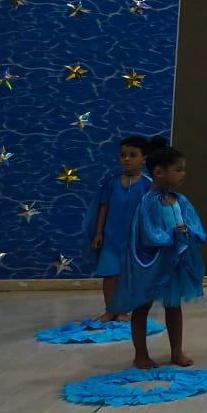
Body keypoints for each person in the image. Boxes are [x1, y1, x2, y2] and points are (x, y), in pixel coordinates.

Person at [109, 140, 206, 370]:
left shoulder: (180, 200)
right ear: (159, 172)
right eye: (178, 169)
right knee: (142, 307)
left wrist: (188, 232)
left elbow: (196, 226)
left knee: (174, 305)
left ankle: (176, 351)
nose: (184, 174)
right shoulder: (148, 203)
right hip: (151, 263)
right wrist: (172, 235)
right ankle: (140, 354)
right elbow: (149, 232)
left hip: (173, 263)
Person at [84, 135, 152, 322]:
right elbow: (104, 207)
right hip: (111, 238)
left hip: (134, 240)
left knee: (128, 276)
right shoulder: (112, 183)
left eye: (132, 155)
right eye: (123, 155)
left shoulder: (147, 184)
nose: (127, 159)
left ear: (143, 159)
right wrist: (99, 233)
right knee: (110, 275)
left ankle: (123, 310)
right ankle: (110, 310)